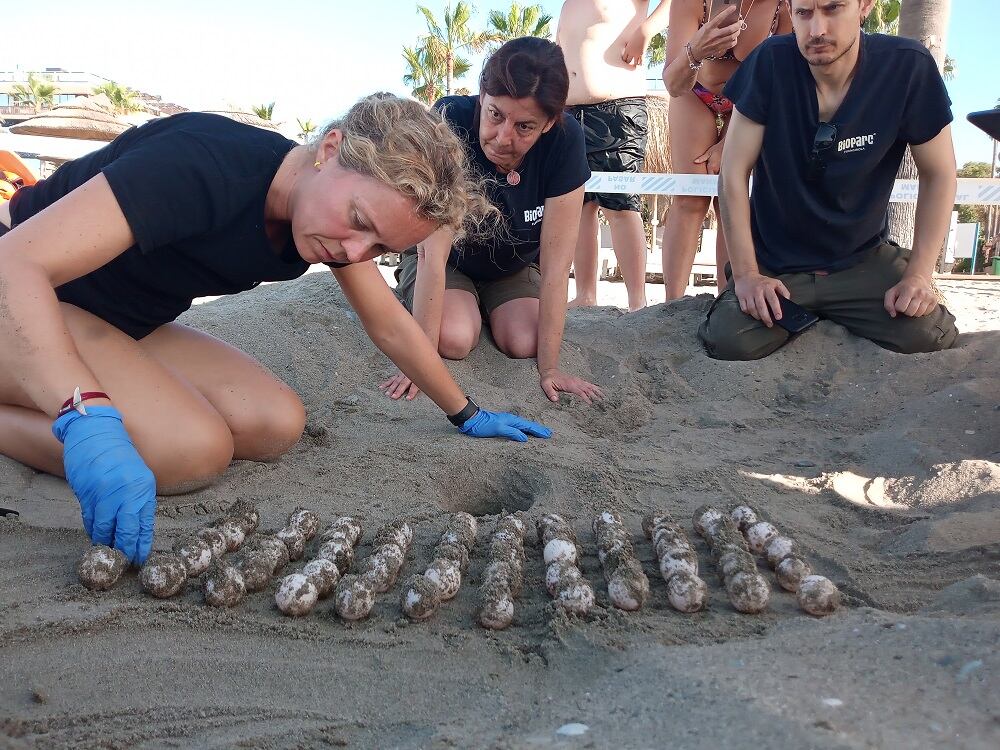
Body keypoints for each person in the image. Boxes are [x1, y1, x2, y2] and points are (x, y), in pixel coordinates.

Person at [0, 94, 551, 566]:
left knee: (274, 421)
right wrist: (83, 416)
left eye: (382, 248)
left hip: (115, 319)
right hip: (24, 299)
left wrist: (467, 411)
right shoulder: (203, 164)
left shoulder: (319, 216)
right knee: (190, 450)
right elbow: (16, 266)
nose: (357, 252)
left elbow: (389, 323)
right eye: (360, 222)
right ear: (330, 150)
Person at [699, 0, 959, 359]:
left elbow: (940, 174)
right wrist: (745, 275)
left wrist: (919, 275)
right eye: (804, 13)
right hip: (775, 264)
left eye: (833, 8)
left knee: (929, 335)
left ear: (865, 6)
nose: (816, 29)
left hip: (862, 260)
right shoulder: (770, 61)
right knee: (730, 339)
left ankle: (828, 310)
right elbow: (732, 173)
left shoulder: (906, 65)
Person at [383, 38, 604, 405]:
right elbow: (431, 256)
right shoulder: (450, 121)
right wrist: (418, 363)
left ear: (549, 124)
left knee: (525, 343)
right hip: (449, 258)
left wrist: (550, 369)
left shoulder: (566, 142)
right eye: (495, 115)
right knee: (453, 338)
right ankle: (462, 304)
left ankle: (484, 306)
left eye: (525, 127)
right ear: (482, 96)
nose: (503, 139)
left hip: (513, 265)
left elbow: (556, 266)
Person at [660, 0, 791, 300]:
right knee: (689, 199)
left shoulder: (783, 7)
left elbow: (777, 83)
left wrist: (728, 143)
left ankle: (727, 299)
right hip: (693, 92)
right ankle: (670, 304)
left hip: (749, 102)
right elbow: (672, 83)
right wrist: (695, 51)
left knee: (732, 199)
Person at [559, 0, 672, 312]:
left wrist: (646, 29)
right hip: (569, 113)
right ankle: (585, 293)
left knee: (620, 205)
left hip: (616, 108)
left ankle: (638, 300)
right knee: (580, 208)